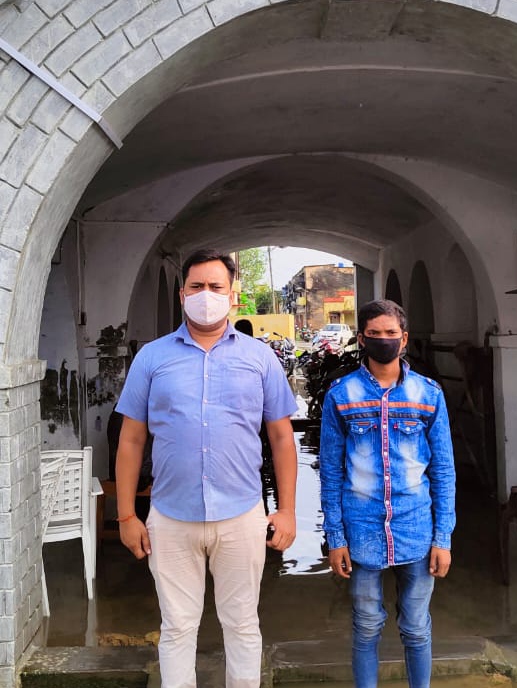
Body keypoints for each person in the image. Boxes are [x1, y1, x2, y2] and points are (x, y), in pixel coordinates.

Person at [115, 249, 298, 688]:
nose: (206, 295)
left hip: (241, 515)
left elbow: (281, 437)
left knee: (242, 624)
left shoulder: (260, 358)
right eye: (197, 286)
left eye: (216, 287)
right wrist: (126, 516)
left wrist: (288, 510)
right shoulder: (152, 358)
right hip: (171, 517)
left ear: (233, 296)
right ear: (183, 294)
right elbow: (131, 440)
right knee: (177, 627)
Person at [319, 299, 456, 688]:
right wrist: (335, 537)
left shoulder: (428, 394)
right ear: (362, 339)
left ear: (404, 338)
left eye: (391, 333)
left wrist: (443, 538)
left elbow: (443, 470)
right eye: (375, 334)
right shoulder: (341, 394)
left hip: (417, 528)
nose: (384, 340)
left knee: (416, 627)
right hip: (362, 531)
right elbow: (330, 471)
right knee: (365, 626)